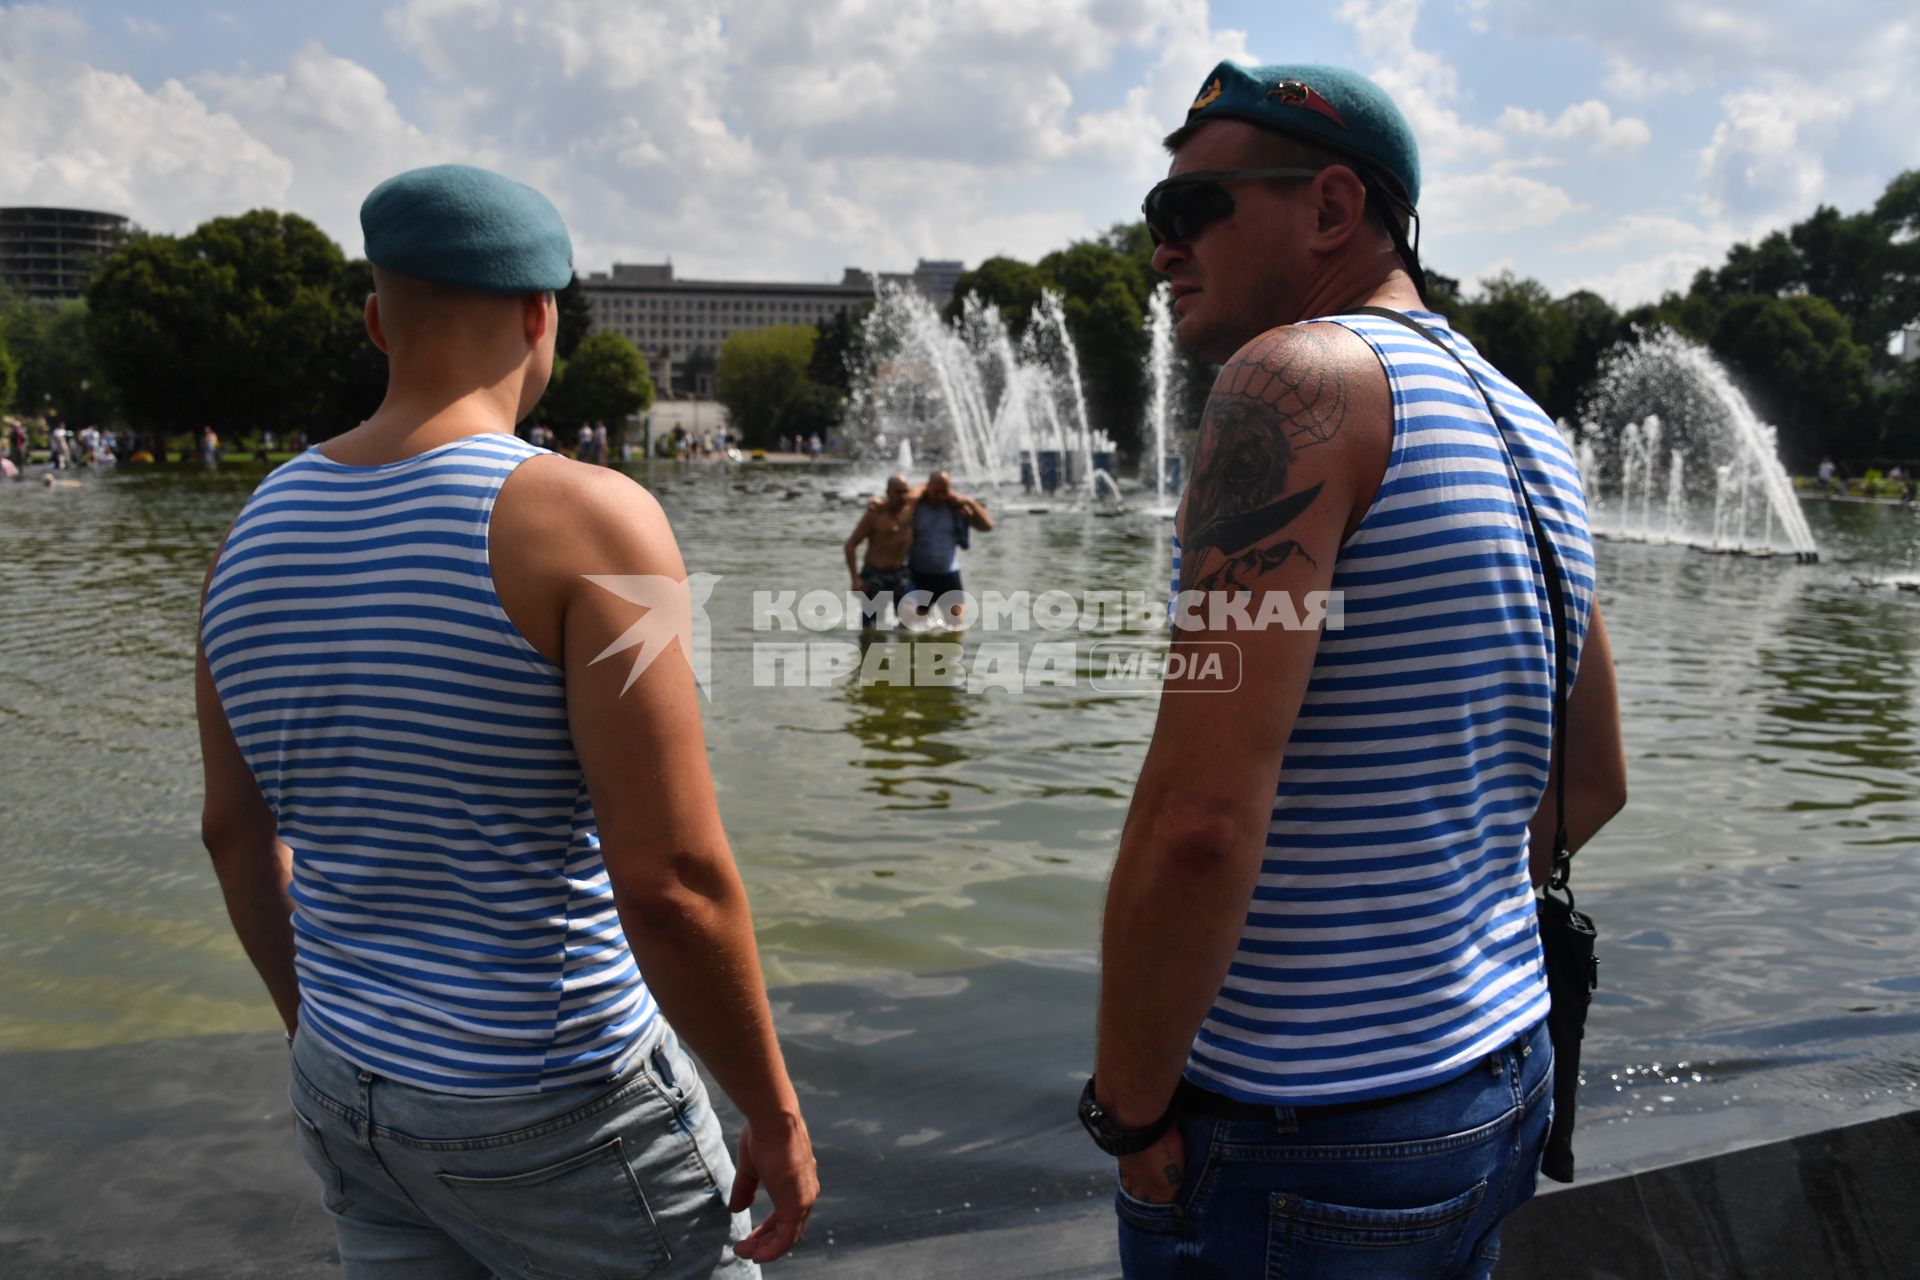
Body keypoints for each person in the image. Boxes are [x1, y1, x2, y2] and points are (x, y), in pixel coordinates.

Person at [194, 163, 816, 1279]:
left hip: (345, 1080)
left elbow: (235, 833)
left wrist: (326, 1032)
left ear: (378, 320)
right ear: (541, 315)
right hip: (555, 1094)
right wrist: (771, 1106)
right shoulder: (590, 517)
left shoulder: (253, 529)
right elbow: (670, 877)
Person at [1084, 63, 1626, 1279]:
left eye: (1189, 213)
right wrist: (1422, 933)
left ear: (1331, 209)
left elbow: (1197, 824)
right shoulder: (1526, 423)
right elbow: (1592, 776)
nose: (1161, 251)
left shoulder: (1295, 382)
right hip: (1492, 1079)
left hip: (1301, 1133)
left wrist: (1127, 1111)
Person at [906, 469, 993, 627]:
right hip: (918, 574)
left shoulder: (956, 508)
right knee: (912, 627)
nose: (940, 496)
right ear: (928, 487)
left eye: (944, 491)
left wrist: (970, 501)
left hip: (948, 575)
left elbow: (987, 526)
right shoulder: (916, 506)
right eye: (936, 491)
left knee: (955, 627)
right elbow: (905, 500)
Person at [844, 473, 917, 629]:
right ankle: (873, 650)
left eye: (905, 491)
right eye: (898, 492)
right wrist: (855, 579)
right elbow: (850, 545)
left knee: (910, 616)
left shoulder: (911, 510)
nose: (903, 496)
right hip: (874, 575)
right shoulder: (875, 515)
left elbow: (928, 488)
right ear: (888, 493)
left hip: (900, 573)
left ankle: (901, 648)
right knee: (872, 627)